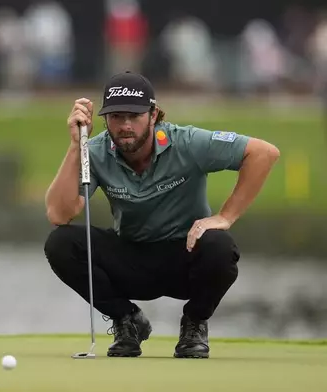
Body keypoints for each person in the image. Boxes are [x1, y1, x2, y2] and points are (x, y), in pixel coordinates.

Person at [43, 71, 280, 359]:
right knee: (61, 243)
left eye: (135, 115)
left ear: (153, 114)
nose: (126, 125)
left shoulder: (186, 142)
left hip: (186, 258)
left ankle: (194, 322)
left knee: (220, 246)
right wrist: (74, 146)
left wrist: (225, 217)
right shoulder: (94, 151)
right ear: (105, 119)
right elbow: (59, 213)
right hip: (131, 259)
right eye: (116, 116)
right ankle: (127, 320)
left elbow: (264, 153)